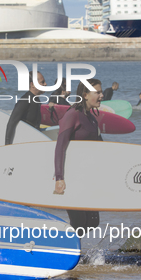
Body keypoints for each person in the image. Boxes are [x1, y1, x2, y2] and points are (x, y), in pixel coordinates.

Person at [53, 78, 104, 229]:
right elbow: (60, 146)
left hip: (86, 176)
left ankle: (74, 249)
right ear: (86, 95)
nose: (102, 95)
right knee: (79, 222)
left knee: (93, 221)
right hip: (71, 175)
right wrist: (59, 178)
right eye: (98, 92)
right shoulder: (73, 114)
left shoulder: (92, 119)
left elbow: (101, 147)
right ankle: (67, 250)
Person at [5, 71, 46, 145]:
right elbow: (11, 123)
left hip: (33, 142)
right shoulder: (25, 100)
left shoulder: (36, 100)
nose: (45, 84)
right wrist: (7, 146)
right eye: (42, 82)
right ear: (33, 84)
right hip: (24, 142)